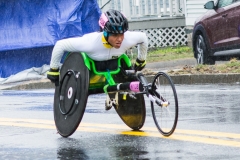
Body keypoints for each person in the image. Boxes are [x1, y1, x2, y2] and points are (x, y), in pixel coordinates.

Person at [47, 9, 148, 84]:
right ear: (105, 33)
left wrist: (141, 60)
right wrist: (53, 69)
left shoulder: (128, 38)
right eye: (115, 35)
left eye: (122, 34)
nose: (120, 39)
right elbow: (60, 45)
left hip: (115, 64)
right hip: (92, 66)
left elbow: (143, 38)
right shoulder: (89, 43)